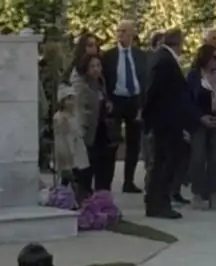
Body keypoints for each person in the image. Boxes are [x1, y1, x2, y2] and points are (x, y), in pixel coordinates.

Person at [141, 29, 196, 219]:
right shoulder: (164, 61)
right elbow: (153, 91)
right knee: (163, 163)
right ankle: (158, 203)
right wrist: (148, 119)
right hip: (165, 121)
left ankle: (158, 201)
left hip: (166, 120)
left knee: (163, 162)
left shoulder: (161, 58)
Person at [100, 20, 150, 195]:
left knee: (134, 142)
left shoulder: (141, 55)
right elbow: (103, 79)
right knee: (112, 142)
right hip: (116, 100)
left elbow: (144, 79)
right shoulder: (108, 56)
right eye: (118, 31)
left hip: (134, 100)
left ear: (131, 34)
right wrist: (107, 99)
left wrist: (142, 103)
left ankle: (128, 181)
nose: (120, 34)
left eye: (124, 31)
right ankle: (106, 181)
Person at [185, 44, 216, 209]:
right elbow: (189, 101)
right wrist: (200, 117)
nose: (215, 61)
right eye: (213, 58)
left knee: (214, 158)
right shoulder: (194, 76)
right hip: (199, 122)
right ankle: (197, 192)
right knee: (198, 157)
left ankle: (212, 192)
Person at [69, 54, 110, 194]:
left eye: (98, 66)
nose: (96, 69)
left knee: (99, 163)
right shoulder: (81, 85)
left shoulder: (100, 82)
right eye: (92, 66)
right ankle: (82, 192)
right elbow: (79, 109)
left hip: (100, 127)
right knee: (85, 164)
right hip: (86, 129)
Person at [51, 86, 90, 194]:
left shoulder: (74, 116)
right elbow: (61, 138)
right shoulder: (60, 118)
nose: (71, 102)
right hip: (68, 151)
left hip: (78, 150)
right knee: (68, 178)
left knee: (79, 177)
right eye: (68, 99)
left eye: (72, 99)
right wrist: (66, 156)